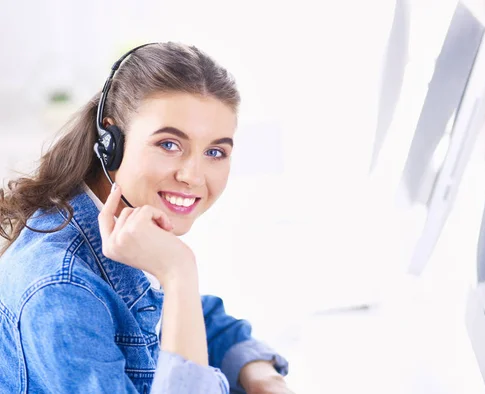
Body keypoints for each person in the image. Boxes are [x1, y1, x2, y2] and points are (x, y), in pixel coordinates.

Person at [0, 42, 292, 394]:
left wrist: (264, 376)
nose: (194, 176)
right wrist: (179, 271)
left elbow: (202, 320)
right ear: (111, 141)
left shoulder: (125, 228)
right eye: (169, 144)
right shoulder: (63, 290)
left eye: (215, 151)